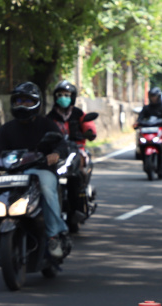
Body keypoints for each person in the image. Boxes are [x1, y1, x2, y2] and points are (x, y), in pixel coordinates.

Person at [0, 81, 70, 258]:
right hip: (13, 173)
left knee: (47, 190)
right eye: (18, 100)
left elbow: (61, 145)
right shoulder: (7, 129)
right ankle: (2, 243)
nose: (22, 105)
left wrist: (55, 153)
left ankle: (53, 236)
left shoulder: (46, 124)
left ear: (36, 103)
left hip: (40, 171)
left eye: (26, 101)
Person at [46, 80, 96, 220]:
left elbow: (89, 126)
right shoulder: (50, 117)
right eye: (60, 95)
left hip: (77, 149)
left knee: (78, 174)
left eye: (66, 95)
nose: (63, 98)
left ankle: (79, 204)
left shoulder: (79, 114)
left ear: (72, 97)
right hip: (57, 151)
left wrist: (90, 132)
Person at [134, 86, 162, 168]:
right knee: (140, 141)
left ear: (158, 97)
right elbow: (140, 117)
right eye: (152, 96)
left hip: (160, 131)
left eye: (154, 96)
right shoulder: (146, 108)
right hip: (148, 132)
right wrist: (137, 123)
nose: (153, 98)